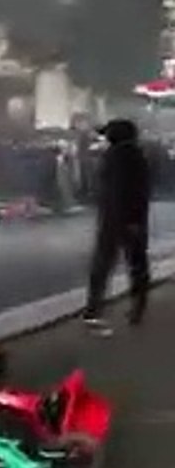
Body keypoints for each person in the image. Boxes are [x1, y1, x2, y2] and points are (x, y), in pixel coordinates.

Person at [83, 119, 151, 334]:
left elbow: (119, 191)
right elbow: (141, 192)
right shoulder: (135, 156)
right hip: (129, 220)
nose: (104, 138)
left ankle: (94, 308)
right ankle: (137, 307)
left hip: (115, 219)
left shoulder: (116, 156)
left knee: (103, 265)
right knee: (137, 265)